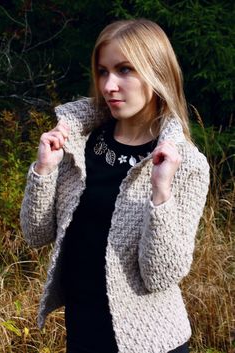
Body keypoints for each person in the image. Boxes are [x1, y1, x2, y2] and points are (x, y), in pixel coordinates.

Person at [20, 19, 210, 353]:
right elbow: (36, 235)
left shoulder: (186, 165)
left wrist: (161, 194)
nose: (109, 85)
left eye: (125, 70)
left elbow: (159, 275)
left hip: (151, 343)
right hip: (82, 331)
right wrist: (43, 170)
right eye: (103, 71)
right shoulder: (78, 143)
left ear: (158, 73)